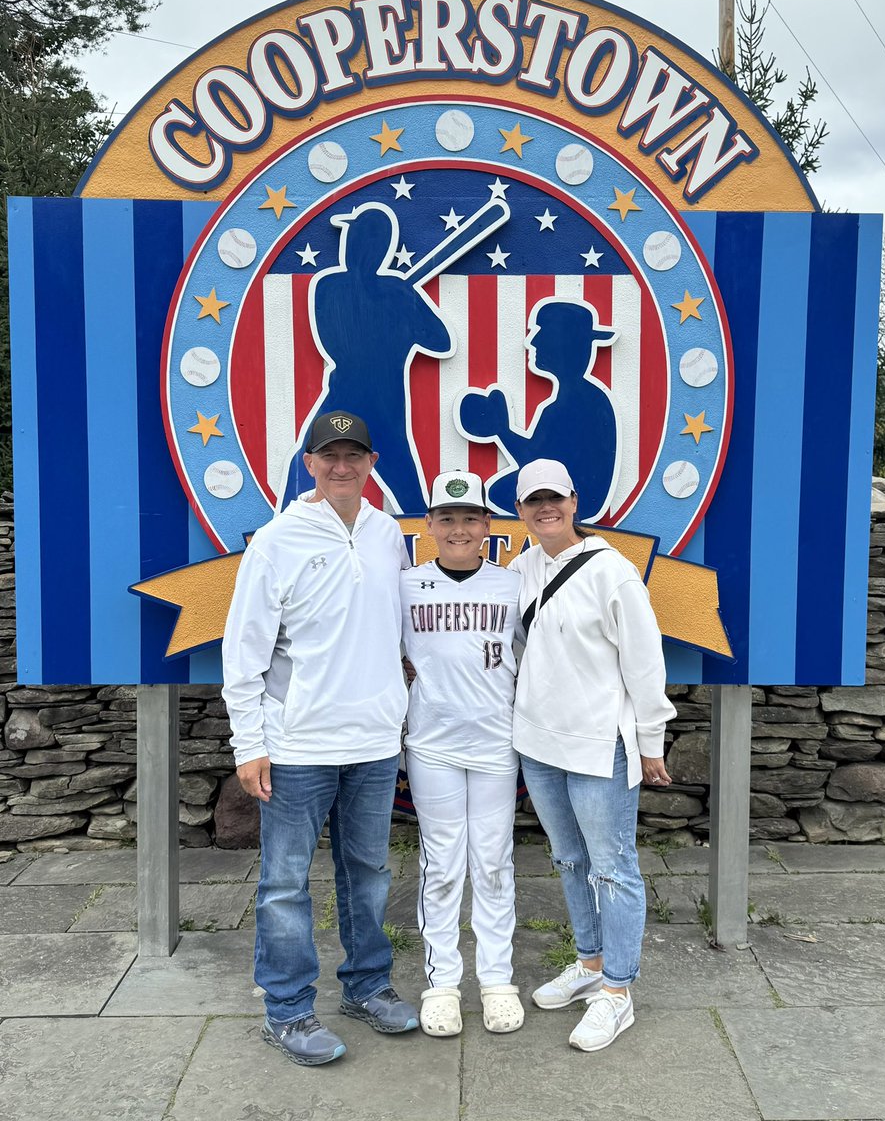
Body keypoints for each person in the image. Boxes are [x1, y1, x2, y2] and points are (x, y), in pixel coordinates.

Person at [222, 410, 419, 1068]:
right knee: (284, 882)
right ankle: (287, 1011)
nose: (342, 466)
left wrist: (399, 711)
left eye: (353, 455)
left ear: (370, 462)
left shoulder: (388, 533)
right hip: (299, 744)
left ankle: (366, 987)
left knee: (367, 871)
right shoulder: (276, 541)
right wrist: (249, 743)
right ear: (309, 464)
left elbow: (393, 631)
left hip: (372, 741)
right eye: (328, 456)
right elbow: (243, 649)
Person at [510, 458, 675, 1053]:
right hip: (538, 741)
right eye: (533, 501)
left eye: (555, 498)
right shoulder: (522, 567)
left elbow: (644, 663)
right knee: (568, 859)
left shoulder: (614, 573)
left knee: (613, 866)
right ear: (521, 509)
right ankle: (590, 961)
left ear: (575, 501)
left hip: (599, 742)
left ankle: (618, 992)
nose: (545, 508)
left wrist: (651, 741)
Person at [400, 471, 524, 1038]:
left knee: (494, 861)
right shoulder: (406, 586)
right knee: (443, 864)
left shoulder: (512, 585)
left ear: (488, 526)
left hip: (497, 742)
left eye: (470, 517)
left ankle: (497, 978)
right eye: (446, 518)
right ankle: (443, 983)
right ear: (428, 526)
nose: (458, 528)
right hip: (433, 745)